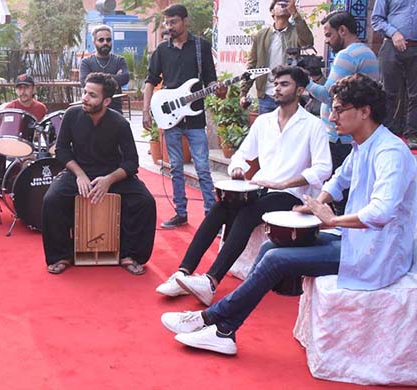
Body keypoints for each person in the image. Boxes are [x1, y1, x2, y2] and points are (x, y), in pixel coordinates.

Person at [160, 73, 416, 355]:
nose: (332, 117)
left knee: (277, 260)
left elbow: (382, 211)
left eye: (339, 109)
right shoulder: (363, 145)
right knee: (272, 245)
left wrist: (330, 220)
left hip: (378, 253)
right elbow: (338, 180)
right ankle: (223, 327)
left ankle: (212, 321)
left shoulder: (390, 151)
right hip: (356, 240)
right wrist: (316, 203)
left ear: (365, 111)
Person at [156, 66, 332, 305]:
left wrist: (283, 183)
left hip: (291, 194)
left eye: (284, 84)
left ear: (300, 90)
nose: (277, 88)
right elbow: (241, 155)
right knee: (220, 208)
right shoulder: (264, 122)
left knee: (247, 214)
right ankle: (182, 273)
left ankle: (210, 281)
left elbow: (323, 168)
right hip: (260, 188)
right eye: (276, 83)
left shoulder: (313, 125)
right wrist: (236, 168)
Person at [42, 72, 156, 276]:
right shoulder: (71, 115)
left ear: (106, 101)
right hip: (78, 171)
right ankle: (61, 255)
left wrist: (109, 179)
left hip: (111, 173)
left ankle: (130, 255)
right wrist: (79, 174)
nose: (85, 98)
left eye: (92, 95)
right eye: (85, 92)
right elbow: (61, 150)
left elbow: (131, 162)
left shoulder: (120, 123)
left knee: (145, 202)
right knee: (52, 200)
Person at [142, 4, 225, 229]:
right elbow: (150, 80)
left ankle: (211, 218)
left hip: (195, 117)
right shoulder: (161, 50)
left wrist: (218, 88)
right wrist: (146, 108)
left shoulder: (201, 47)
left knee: (203, 169)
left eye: (174, 22)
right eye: (167, 23)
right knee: (176, 167)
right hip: (170, 116)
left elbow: (210, 78)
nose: (170, 27)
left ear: (185, 21)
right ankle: (181, 212)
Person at [305, 10, 380, 215]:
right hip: (353, 134)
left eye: (329, 35)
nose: (327, 41)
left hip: (340, 139)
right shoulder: (367, 53)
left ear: (343, 30)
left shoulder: (347, 55)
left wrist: (305, 82)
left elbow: (329, 97)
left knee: (340, 197)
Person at [240, 0, 314, 114]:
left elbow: (308, 42)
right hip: (266, 96)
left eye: (286, 3)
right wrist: (243, 93)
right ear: (272, 11)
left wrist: (295, 14)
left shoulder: (295, 32)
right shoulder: (261, 35)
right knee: (267, 130)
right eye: (280, 3)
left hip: (289, 95)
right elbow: (252, 64)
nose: (283, 5)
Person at [371, 0, 417, 148]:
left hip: (415, 47)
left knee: (415, 94)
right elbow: (376, 19)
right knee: (389, 92)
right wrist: (394, 32)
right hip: (392, 45)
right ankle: (387, 132)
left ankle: (412, 133)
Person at [79, 24, 129, 113]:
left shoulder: (119, 60)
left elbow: (125, 78)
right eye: (101, 40)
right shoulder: (86, 62)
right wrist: (114, 79)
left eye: (108, 40)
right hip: (92, 110)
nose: (105, 42)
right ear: (94, 42)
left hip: (115, 109)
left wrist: (94, 79)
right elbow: (84, 82)